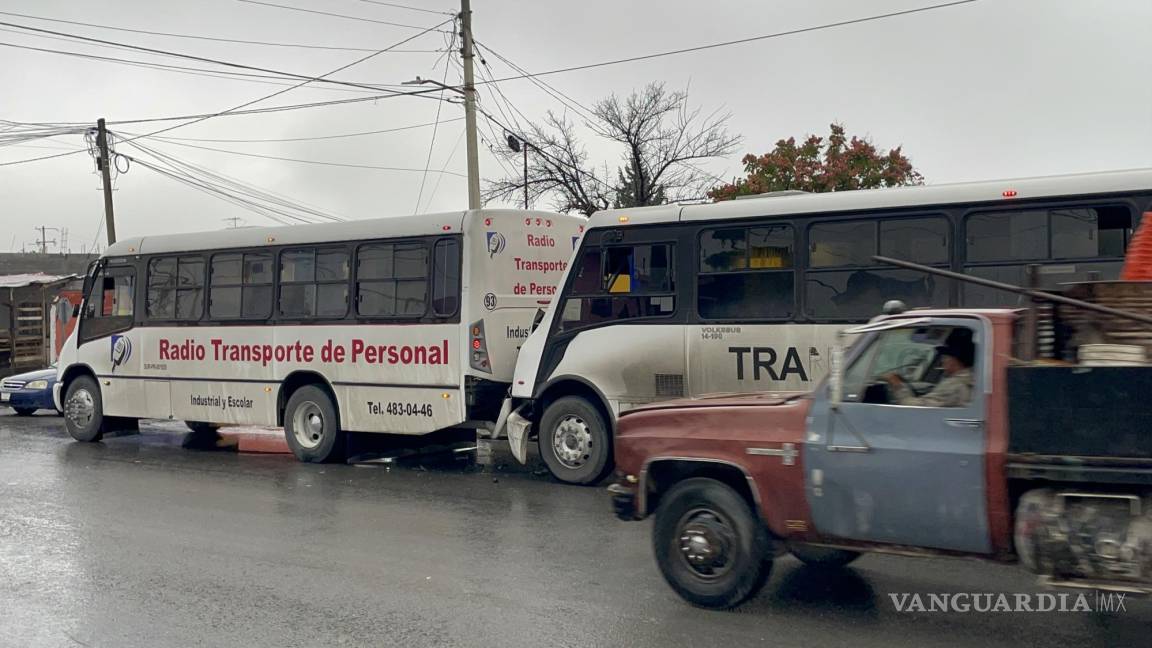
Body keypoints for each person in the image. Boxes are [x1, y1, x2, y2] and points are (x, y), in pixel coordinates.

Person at [884, 338, 974, 407]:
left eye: (945, 357)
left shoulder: (954, 385)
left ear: (955, 361)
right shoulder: (972, 379)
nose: (942, 361)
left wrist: (898, 386)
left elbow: (914, 407)